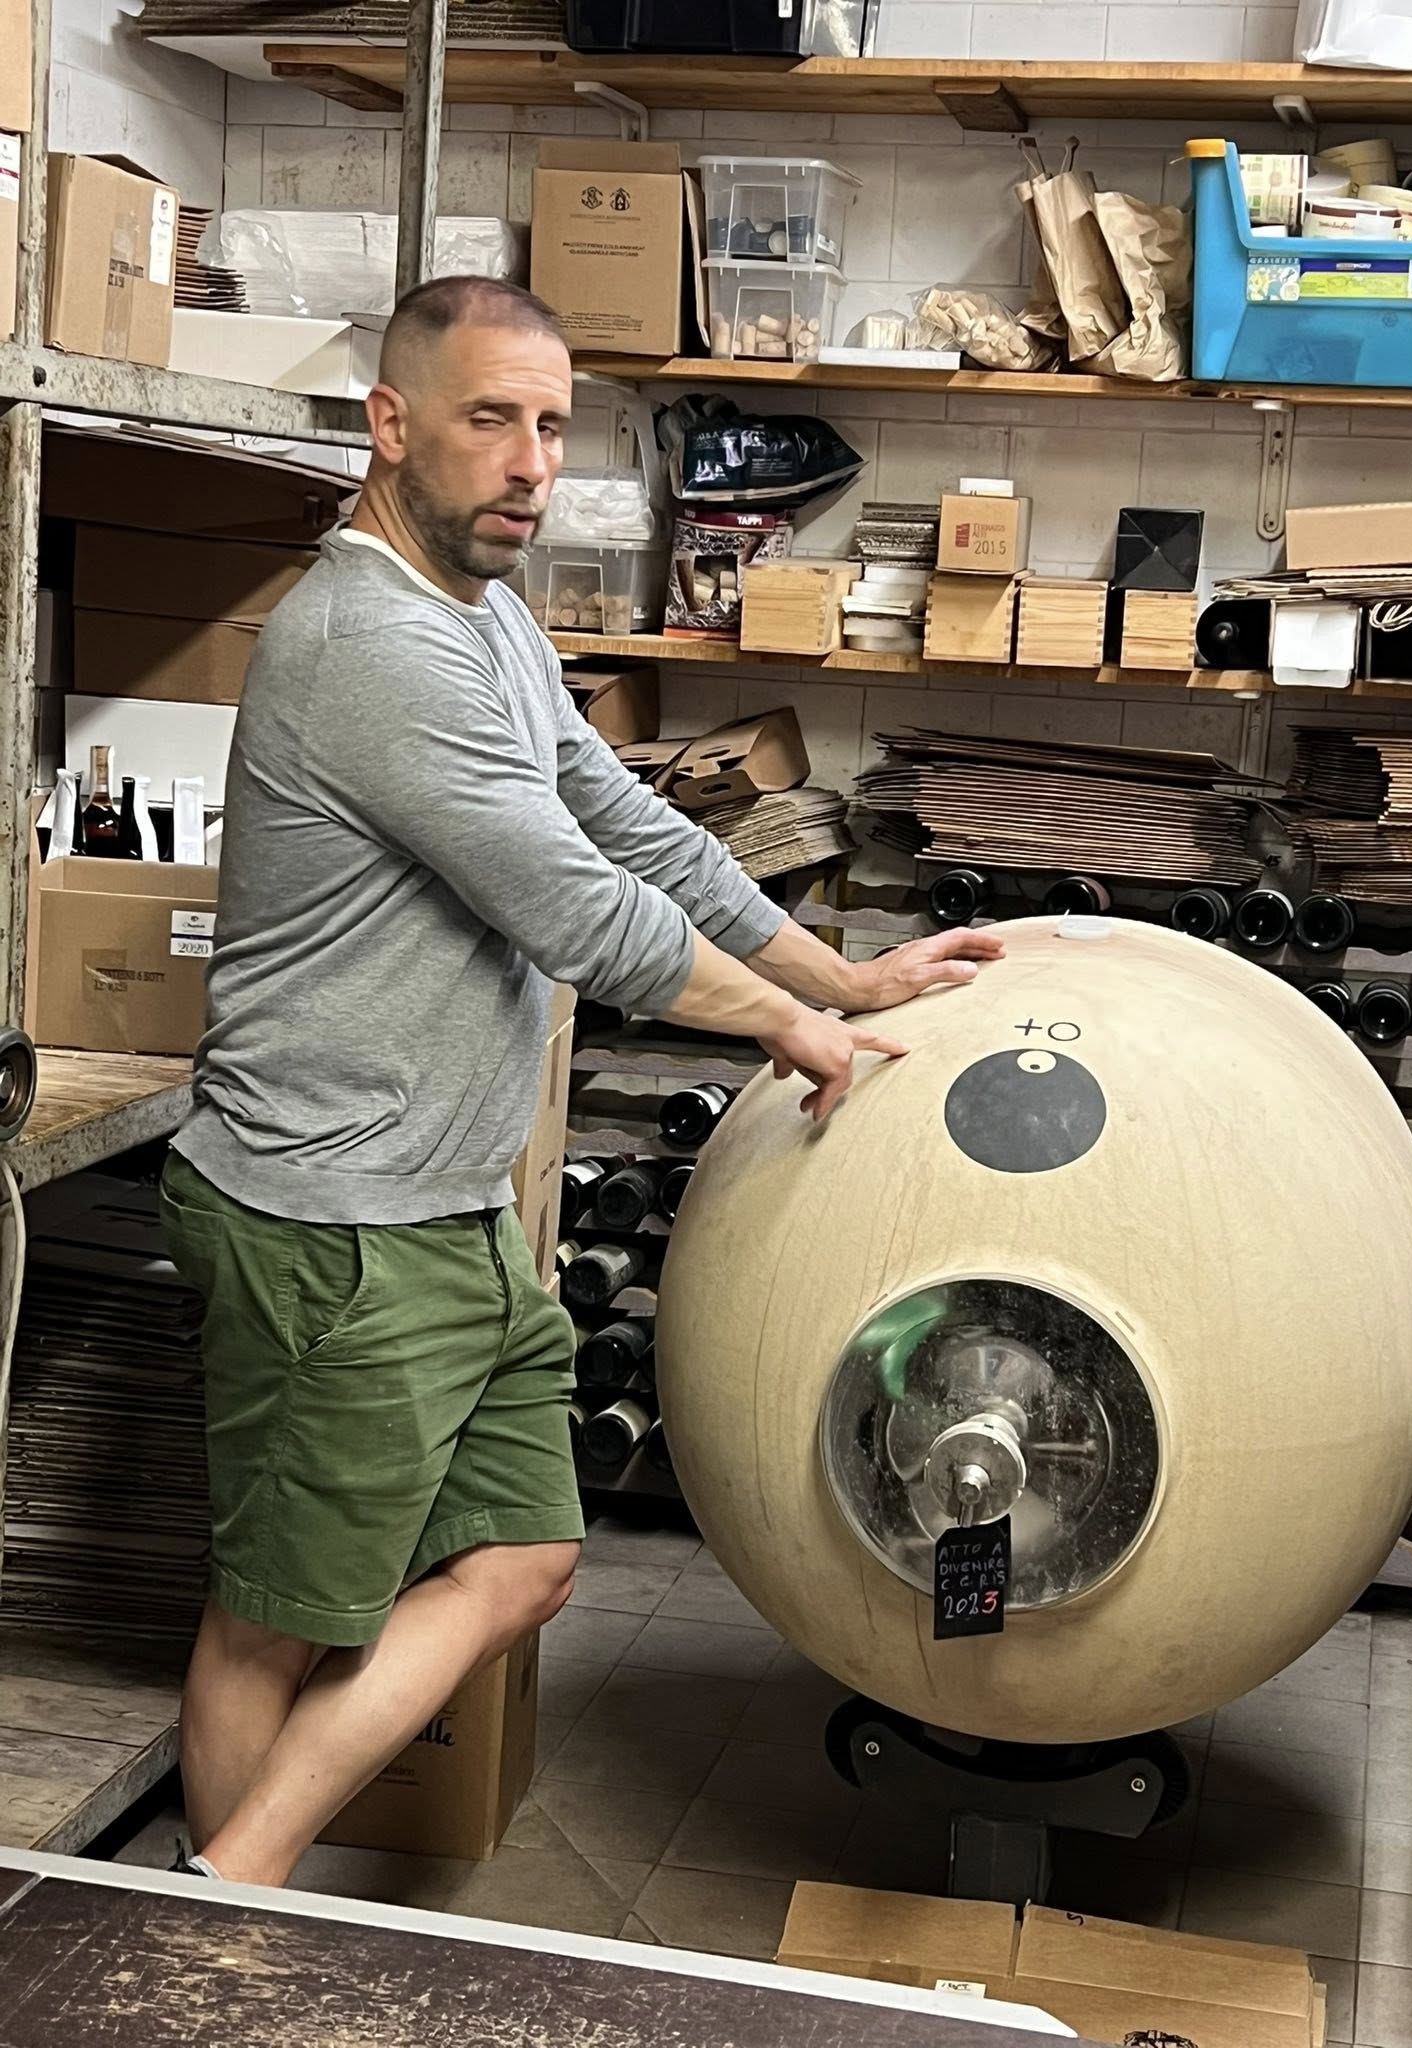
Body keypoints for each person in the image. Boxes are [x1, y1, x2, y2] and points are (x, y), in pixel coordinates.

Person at [159, 274, 1001, 1889]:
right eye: (492, 420)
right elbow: (580, 912)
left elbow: (628, 824)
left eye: (552, 426)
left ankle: (227, 1885)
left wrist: (845, 977)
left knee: (529, 1557)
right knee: (276, 1617)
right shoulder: (369, 643)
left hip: (448, 1204)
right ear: (390, 424)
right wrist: (789, 1030)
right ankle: (223, 1920)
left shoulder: (480, 618)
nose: (532, 463)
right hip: (329, 1218)